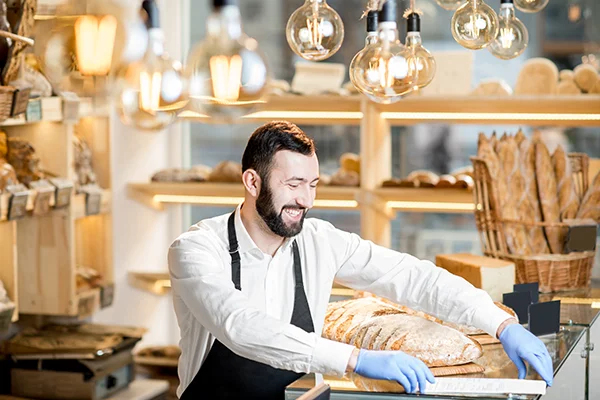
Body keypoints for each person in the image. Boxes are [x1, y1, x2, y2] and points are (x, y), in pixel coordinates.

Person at [169, 121, 554, 399]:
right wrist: (355, 358)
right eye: (293, 185)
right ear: (252, 182)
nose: (306, 200)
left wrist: (500, 324)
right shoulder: (197, 250)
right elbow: (241, 327)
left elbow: (411, 277)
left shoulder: (320, 242)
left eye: (313, 185)